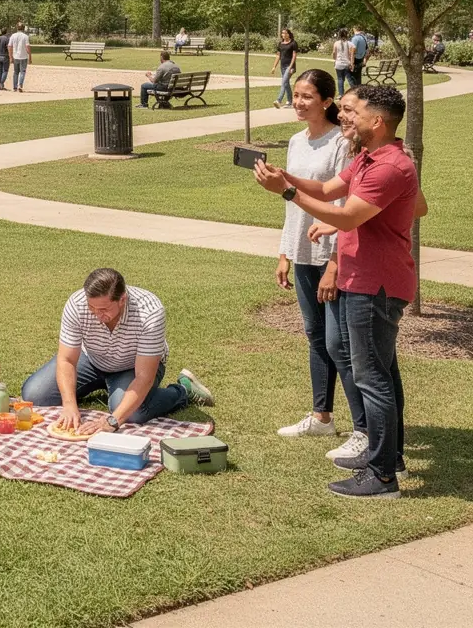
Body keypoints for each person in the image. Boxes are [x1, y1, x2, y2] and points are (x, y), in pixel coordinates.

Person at [255, 85, 425, 499]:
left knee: (372, 378)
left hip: (375, 285)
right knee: (384, 373)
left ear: (377, 121)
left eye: (352, 111)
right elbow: (331, 191)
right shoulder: (368, 156)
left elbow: (347, 216)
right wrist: (286, 178)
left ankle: (382, 476)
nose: (345, 118)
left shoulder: (390, 166)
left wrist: (289, 194)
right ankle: (391, 457)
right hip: (363, 279)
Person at [261, 70, 366, 452]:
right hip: (304, 252)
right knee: (315, 337)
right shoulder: (295, 140)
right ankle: (322, 417)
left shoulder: (341, 141)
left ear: (326, 100)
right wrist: (285, 252)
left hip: (333, 252)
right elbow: (291, 204)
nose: (299, 102)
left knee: (342, 345)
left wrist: (335, 262)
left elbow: (342, 204)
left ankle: (363, 430)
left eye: (308, 96)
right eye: (297, 95)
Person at [21, 267, 214, 433]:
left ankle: (181, 391)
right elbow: (67, 360)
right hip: (91, 359)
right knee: (35, 394)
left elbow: (144, 377)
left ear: (122, 299)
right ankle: (109, 387)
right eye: (92, 308)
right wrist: (69, 405)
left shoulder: (150, 312)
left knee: (131, 413)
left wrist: (113, 421)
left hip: (132, 367)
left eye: (104, 309)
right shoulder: (77, 304)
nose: (97, 314)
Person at [271, 28, 298, 108]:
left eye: (285, 33)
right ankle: (290, 101)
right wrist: (274, 67)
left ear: (289, 34)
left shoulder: (293, 43)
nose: (284, 35)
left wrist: (291, 66)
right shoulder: (280, 44)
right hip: (282, 66)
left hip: (290, 67)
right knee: (286, 83)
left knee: (284, 82)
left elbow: (294, 56)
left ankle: (278, 100)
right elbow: (278, 55)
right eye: (282, 33)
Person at [331, 27, 354, 99]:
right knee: (350, 79)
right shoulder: (350, 44)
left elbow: (334, 53)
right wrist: (352, 64)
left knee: (340, 79)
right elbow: (351, 55)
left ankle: (341, 94)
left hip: (339, 63)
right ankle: (355, 92)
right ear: (347, 35)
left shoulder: (336, 43)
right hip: (347, 63)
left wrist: (335, 58)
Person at [8, 22, 31, 93]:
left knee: (15, 72)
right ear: (23, 28)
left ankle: (15, 87)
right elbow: (27, 47)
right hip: (23, 56)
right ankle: (20, 85)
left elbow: (9, 46)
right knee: (22, 72)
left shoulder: (13, 36)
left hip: (16, 56)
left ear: (16, 28)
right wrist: (30, 56)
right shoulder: (25, 36)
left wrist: (10, 57)